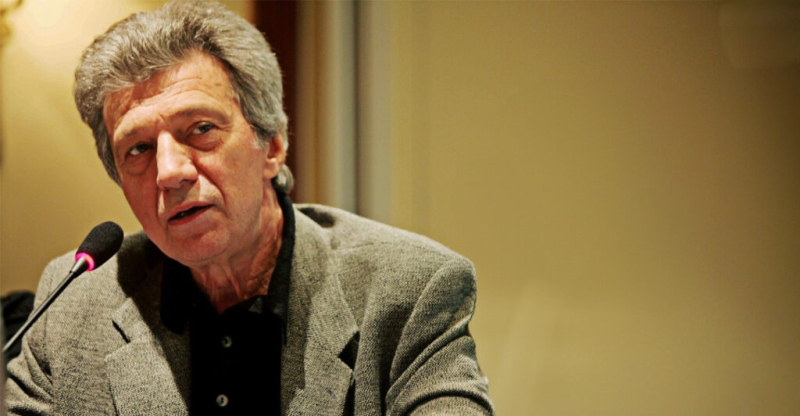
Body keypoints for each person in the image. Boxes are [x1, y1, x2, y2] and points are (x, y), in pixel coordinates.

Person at [4, 1, 493, 414]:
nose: (169, 172)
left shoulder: (407, 291)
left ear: (273, 145)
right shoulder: (72, 303)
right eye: (138, 149)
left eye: (201, 129)